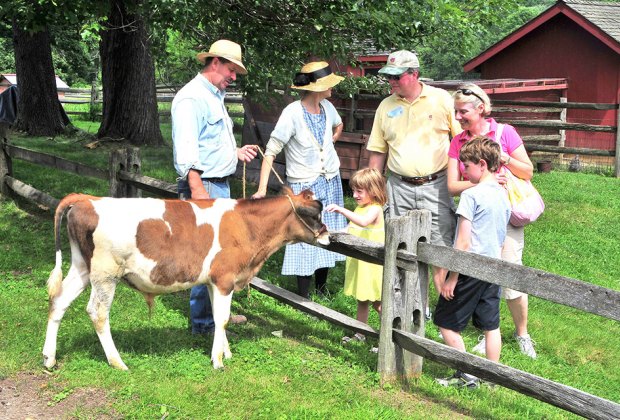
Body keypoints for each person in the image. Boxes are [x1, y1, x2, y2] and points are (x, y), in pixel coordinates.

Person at [171, 39, 258, 335]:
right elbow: (186, 152)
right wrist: (198, 193)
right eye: (231, 70)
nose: (233, 77)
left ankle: (217, 313)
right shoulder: (191, 98)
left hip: (218, 185)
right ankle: (204, 325)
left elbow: (207, 144)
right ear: (216, 62)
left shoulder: (213, 94)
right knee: (203, 257)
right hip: (204, 186)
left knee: (221, 256)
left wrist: (234, 153)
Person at [366, 50, 461, 312]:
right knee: (401, 249)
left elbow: (462, 142)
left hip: (437, 185)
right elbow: (377, 152)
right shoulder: (386, 106)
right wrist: (374, 196)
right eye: (389, 77)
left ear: (414, 74)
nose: (392, 82)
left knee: (440, 247)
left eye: (397, 77)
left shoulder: (441, 100)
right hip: (398, 187)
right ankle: (411, 308)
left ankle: (444, 314)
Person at [447, 83, 537, 358]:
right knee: (480, 275)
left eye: (463, 112)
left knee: (509, 273)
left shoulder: (505, 132)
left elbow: (528, 171)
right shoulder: (458, 141)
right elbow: (452, 185)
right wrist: (484, 184)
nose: (458, 117)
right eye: (456, 112)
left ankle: (522, 333)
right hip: (475, 217)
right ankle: (489, 331)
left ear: (481, 109)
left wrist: (503, 157)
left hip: (504, 216)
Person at [252, 61, 347, 298]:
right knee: (304, 236)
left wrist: (332, 141)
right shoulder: (292, 113)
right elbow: (271, 150)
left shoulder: (327, 107)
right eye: (327, 85)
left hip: (330, 180)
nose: (331, 88)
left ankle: (322, 289)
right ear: (315, 88)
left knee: (328, 233)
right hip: (305, 186)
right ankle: (303, 296)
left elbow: (339, 124)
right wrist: (262, 189)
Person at [435, 137, 511, 388]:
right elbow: (501, 236)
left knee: (445, 323)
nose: (463, 172)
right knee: (491, 325)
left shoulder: (471, 195)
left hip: (469, 269)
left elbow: (464, 242)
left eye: (465, 167)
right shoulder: (503, 195)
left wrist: (452, 277)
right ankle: (493, 379)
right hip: (494, 267)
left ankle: (466, 375)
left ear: (481, 164)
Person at [325, 168, 386, 349]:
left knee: (379, 303)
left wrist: (341, 210)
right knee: (362, 300)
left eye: (359, 191)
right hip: (361, 263)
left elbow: (363, 222)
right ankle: (360, 333)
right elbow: (350, 229)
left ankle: (388, 338)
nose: (355, 195)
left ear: (373, 190)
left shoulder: (375, 209)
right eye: (354, 191)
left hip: (373, 265)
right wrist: (330, 232)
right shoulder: (360, 208)